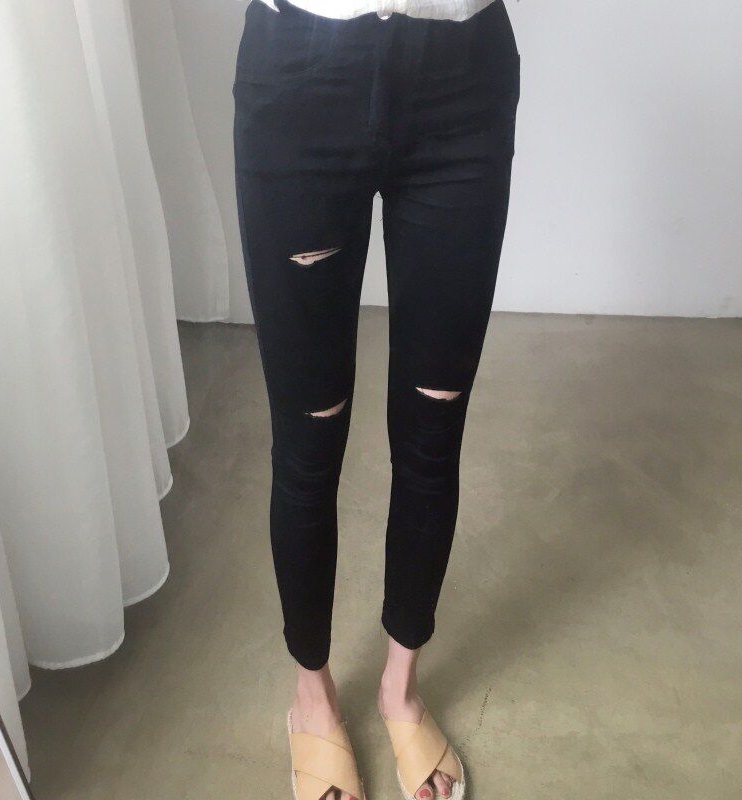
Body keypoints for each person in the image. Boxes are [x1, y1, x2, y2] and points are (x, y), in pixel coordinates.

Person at [233, 1, 520, 797]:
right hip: (301, 70)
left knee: (435, 425)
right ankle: (312, 697)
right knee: (308, 435)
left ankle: (401, 686)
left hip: (463, 72)